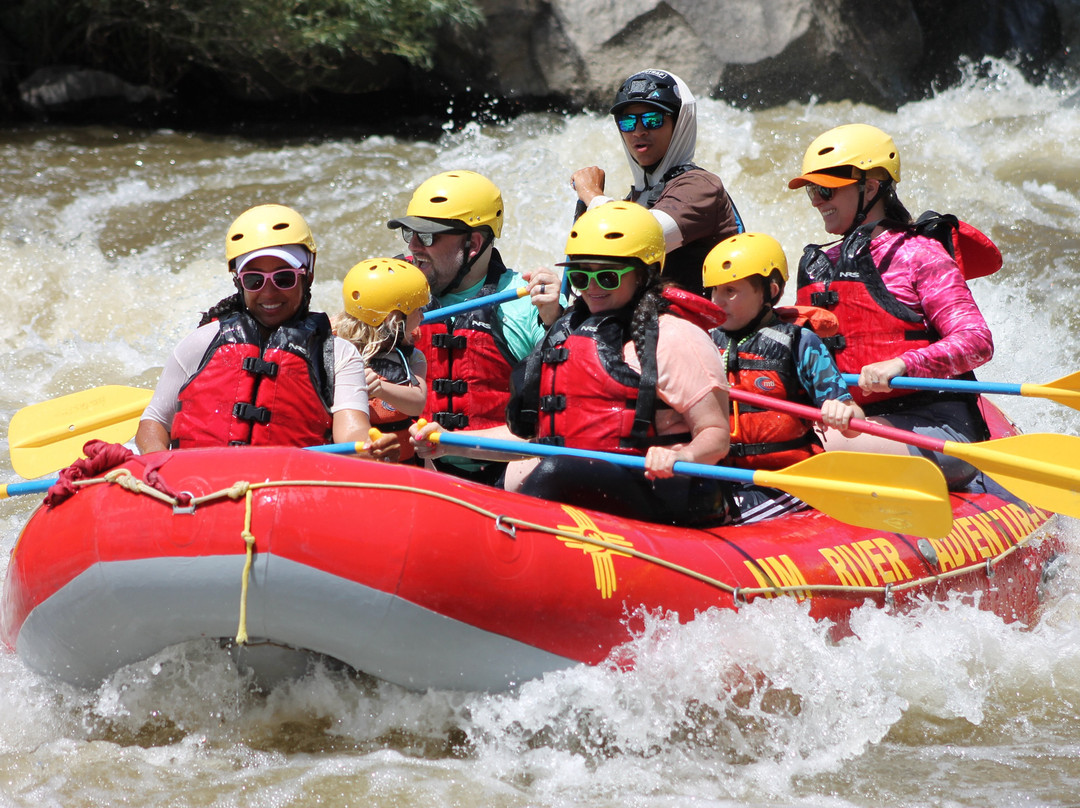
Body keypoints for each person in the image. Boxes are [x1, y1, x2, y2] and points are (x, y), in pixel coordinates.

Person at [415, 200, 732, 526]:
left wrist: (682, 456)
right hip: (584, 486)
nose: (592, 289)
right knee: (514, 474)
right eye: (581, 277)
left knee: (557, 470)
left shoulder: (675, 336)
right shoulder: (569, 337)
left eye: (607, 277)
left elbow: (716, 433)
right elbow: (537, 439)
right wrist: (450, 440)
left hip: (665, 494)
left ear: (644, 273)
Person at [788, 123, 994, 488]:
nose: (817, 202)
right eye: (811, 194)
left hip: (937, 426)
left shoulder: (919, 254)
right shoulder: (824, 264)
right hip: (855, 416)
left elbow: (977, 340)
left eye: (825, 190)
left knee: (814, 447)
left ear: (869, 187)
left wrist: (902, 363)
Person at [136, 204, 389, 458]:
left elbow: (352, 433)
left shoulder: (336, 356)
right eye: (254, 280)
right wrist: (159, 462)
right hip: (199, 488)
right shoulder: (202, 343)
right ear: (239, 281)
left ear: (308, 276)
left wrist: (369, 447)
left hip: (290, 489)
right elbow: (154, 422)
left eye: (284, 278)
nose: (268, 293)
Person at [387, 169, 562, 484]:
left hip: (503, 473)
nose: (413, 247)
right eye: (409, 234)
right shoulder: (392, 292)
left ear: (473, 243)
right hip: (420, 470)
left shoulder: (525, 306)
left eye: (427, 236)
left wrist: (559, 321)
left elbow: (556, 428)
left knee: (544, 469)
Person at [703, 232, 865, 522]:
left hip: (787, 481)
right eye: (714, 291)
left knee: (715, 514)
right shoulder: (703, 340)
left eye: (730, 291)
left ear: (770, 291)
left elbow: (856, 424)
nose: (718, 301)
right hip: (720, 474)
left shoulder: (801, 343)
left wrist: (842, 411)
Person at [570, 68, 742, 296]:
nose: (638, 131)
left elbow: (638, 239)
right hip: (649, 322)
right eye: (628, 122)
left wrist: (592, 195)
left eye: (652, 120)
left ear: (679, 123)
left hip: (696, 326)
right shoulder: (632, 201)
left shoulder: (700, 186)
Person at [332, 257, 430, 462]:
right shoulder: (336, 348)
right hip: (358, 456)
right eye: (418, 310)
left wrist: (381, 389)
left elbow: (417, 404)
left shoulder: (414, 357)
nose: (422, 317)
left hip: (407, 461)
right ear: (394, 319)